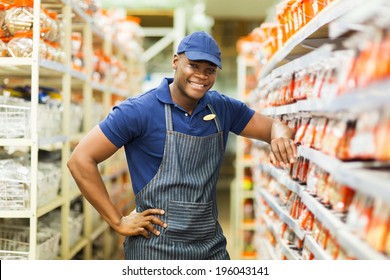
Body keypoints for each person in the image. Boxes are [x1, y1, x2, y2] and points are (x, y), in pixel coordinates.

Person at [67, 31, 297, 260]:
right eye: (194, 66)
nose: (201, 76)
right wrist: (117, 221)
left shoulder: (222, 108)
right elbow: (80, 159)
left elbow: (273, 127)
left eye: (210, 70)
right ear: (176, 62)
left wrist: (280, 136)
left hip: (209, 246)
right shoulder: (138, 111)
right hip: (154, 248)